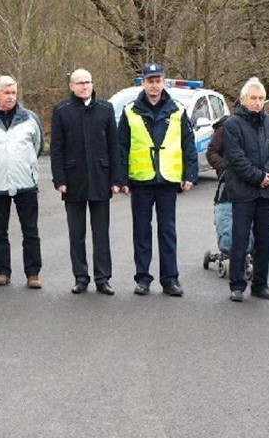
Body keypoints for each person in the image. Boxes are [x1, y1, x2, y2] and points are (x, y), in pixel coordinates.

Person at [117, 62, 198, 297]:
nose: (154, 85)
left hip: (167, 180)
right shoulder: (130, 110)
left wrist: (190, 174)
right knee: (141, 232)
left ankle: (170, 279)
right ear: (143, 83)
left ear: (164, 81)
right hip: (141, 179)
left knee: (167, 232)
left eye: (158, 80)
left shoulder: (178, 110)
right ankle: (143, 278)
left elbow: (188, 145)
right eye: (150, 81)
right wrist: (121, 177)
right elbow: (122, 147)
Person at [50, 68, 120, 295]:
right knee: (76, 233)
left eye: (88, 82)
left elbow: (114, 146)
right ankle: (81, 277)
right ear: (71, 86)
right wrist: (59, 179)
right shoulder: (62, 111)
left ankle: (103, 278)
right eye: (80, 83)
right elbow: (57, 149)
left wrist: (116, 178)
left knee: (101, 233)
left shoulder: (106, 109)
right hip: (73, 180)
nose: (84, 86)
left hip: (100, 178)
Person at [0, 75, 44, 289]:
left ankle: (33, 274)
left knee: (30, 230)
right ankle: (2, 272)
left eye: (13, 92)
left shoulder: (30, 119)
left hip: (26, 183)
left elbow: (38, 146)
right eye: (6, 93)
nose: (10, 97)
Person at [223, 76, 269, 302]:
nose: (257, 102)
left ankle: (260, 284)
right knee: (240, 239)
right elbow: (236, 158)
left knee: (263, 241)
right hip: (243, 192)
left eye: (261, 98)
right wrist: (259, 177)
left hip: (267, 194)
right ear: (243, 100)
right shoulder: (232, 125)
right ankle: (237, 285)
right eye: (253, 98)